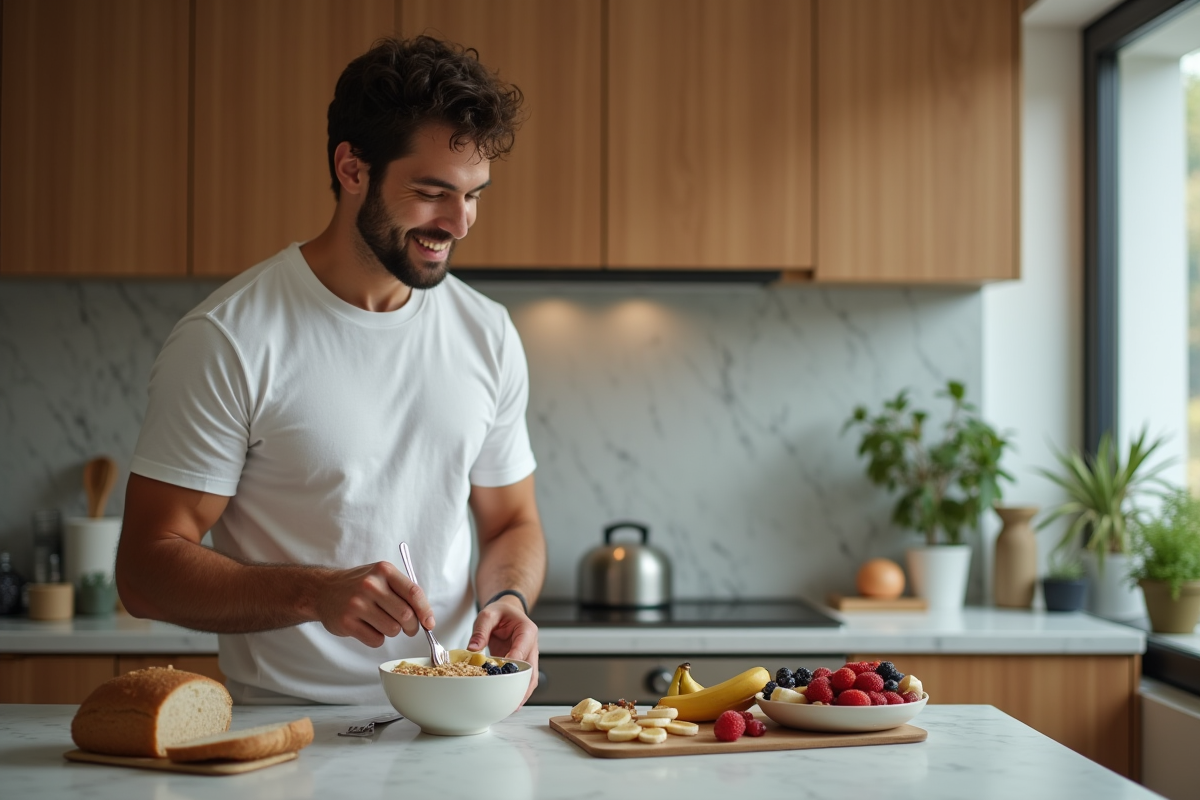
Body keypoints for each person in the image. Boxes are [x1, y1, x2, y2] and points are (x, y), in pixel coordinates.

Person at [115, 36, 545, 706]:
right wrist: (315, 593)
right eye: (432, 192)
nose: (459, 223)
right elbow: (144, 572)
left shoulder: (485, 332)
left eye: (474, 195)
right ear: (352, 169)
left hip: (457, 726)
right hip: (290, 739)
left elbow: (511, 519)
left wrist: (510, 598)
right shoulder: (230, 337)